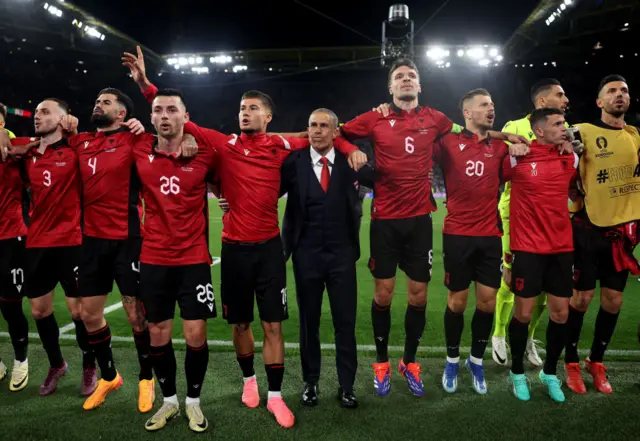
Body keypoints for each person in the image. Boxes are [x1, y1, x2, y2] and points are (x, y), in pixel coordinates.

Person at [122, 45, 366, 429]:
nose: (245, 112)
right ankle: (249, 381)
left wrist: (349, 147)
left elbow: (323, 136)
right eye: (241, 108)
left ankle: (274, 396)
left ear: (268, 116)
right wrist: (146, 86)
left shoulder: (282, 144)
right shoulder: (225, 144)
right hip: (233, 249)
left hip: (270, 248)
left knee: (272, 325)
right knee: (240, 324)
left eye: (253, 108)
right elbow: (177, 118)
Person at [339, 59, 526, 397]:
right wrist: (352, 149)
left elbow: (467, 132)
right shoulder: (375, 118)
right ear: (391, 88)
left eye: (411, 75)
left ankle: (409, 361)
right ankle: (381, 361)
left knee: (419, 296)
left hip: (420, 222)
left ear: (419, 86)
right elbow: (337, 133)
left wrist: (504, 135)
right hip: (384, 222)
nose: (406, 79)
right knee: (383, 295)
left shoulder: (436, 119)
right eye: (399, 77)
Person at [132, 88, 217, 433]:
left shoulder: (206, 152)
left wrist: (194, 137)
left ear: (186, 116)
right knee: (157, 332)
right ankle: (168, 401)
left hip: (193, 257)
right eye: (158, 110)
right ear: (150, 117)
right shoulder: (138, 148)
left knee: (196, 334)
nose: (164, 116)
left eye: (172, 110)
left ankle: (193, 402)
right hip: (153, 257)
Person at [435, 89, 528, 395]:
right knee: (457, 303)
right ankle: (452, 360)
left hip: (490, 235)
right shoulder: (447, 141)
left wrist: (514, 147)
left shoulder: (500, 148)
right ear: (467, 113)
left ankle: (475, 360)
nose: (491, 109)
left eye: (493, 104)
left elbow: (514, 172)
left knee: (487, 302)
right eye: (484, 105)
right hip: (457, 234)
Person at [280, 108, 374, 409]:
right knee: (309, 323)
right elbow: (266, 190)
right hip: (305, 255)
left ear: (336, 132)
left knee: (345, 322)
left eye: (324, 126)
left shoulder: (350, 165)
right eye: (312, 125)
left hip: (341, 255)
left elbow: (384, 178)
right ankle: (311, 383)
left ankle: (347, 386)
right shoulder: (293, 163)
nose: (317, 131)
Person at [8, 99, 93, 396]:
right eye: (37, 112)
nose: (37, 116)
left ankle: (89, 364)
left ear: (63, 118)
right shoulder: (27, 151)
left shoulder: (75, 149)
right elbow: (4, 143)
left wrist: (76, 128)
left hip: (71, 241)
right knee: (40, 312)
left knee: (79, 312)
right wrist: (16, 148)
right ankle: (57, 364)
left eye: (46, 112)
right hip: (37, 243)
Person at [564, 75, 640, 395]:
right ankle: (570, 362)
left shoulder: (635, 136)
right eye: (611, 91)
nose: (619, 95)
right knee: (581, 299)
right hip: (587, 229)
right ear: (599, 102)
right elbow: (562, 166)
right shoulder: (582, 130)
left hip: (622, 233)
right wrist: (569, 149)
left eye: (623, 90)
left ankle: (596, 361)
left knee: (613, 300)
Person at [491, 78, 571, 368]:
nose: (565, 100)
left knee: (545, 293)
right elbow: (497, 162)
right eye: (559, 95)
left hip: (551, 219)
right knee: (510, 278)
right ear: (541, 102)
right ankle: (500, 333)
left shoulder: (564, 131)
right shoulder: (514, 127)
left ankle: (528, 339)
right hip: (516, 214)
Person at [503, 107, 578, 403]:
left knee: (561, 314)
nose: (564, 127)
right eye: (557, 124)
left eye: (564, 122)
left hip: (561, 249)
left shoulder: (569, 156)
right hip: (528, 249)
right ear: (539, 131)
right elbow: (485, 142)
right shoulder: (517, 155)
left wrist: (571, 142)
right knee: (523, 313)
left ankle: (549, 373)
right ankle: (518, 372)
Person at [0, 126, 30, 391]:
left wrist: (7, 139)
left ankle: (21, 358)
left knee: (10, 304)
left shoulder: (14, 147)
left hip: (11, 236)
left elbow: (50, 140)